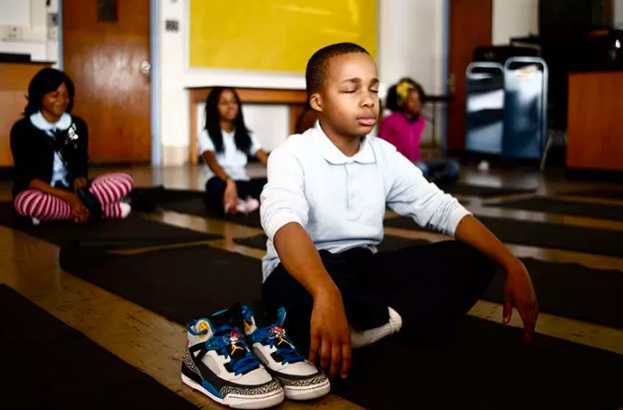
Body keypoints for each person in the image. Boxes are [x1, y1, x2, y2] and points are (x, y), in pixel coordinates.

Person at [260, 43, 538, 380]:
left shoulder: (383, 155)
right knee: (293, 298)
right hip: (303, 272)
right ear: (318, 101)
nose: (368, 99)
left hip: (361, 267)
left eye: (373, 88)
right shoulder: (292, 153)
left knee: (475, 259)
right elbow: (284, 221)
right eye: (351, 89)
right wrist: (324, 292)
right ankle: (376, 322)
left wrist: (511, 262)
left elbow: (441, 208)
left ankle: (367, 326)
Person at [10, 68, 133, 224]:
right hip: (41, 191)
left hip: (73, 191)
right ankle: (99, 210)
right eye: (55, 95)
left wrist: (79, 179)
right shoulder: (23, 129)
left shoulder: (74, 126)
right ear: (39, 96)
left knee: (125, 180)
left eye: (66, 95)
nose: (62, 100)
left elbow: (79, 159)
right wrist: (68, 198)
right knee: (26, 202)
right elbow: (26, 176)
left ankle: (68, 211)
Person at [199, 87, 269, 214]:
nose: (231, 106)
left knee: (267, 183)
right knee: (215, 187)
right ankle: (242, 202)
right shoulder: (207, 134)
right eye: (224, 103)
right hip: (221, 181)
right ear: (214, 107)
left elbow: (264, 157)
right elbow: (211, 161)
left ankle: (238, 202)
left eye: (233, 102)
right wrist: (228, 181)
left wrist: (283, 175)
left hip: (241, 182)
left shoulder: (246, 134)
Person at [379, 78, 459, 183]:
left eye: (418, 99)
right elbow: (381, 150)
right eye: (412, 100)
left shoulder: (420, 121)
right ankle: (426, 181)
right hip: (401, 168)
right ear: (402, 102)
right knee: (421, 170)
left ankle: (430, 180)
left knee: (453, 166)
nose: (417, 103)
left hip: (417, 164)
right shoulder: (390, 121)